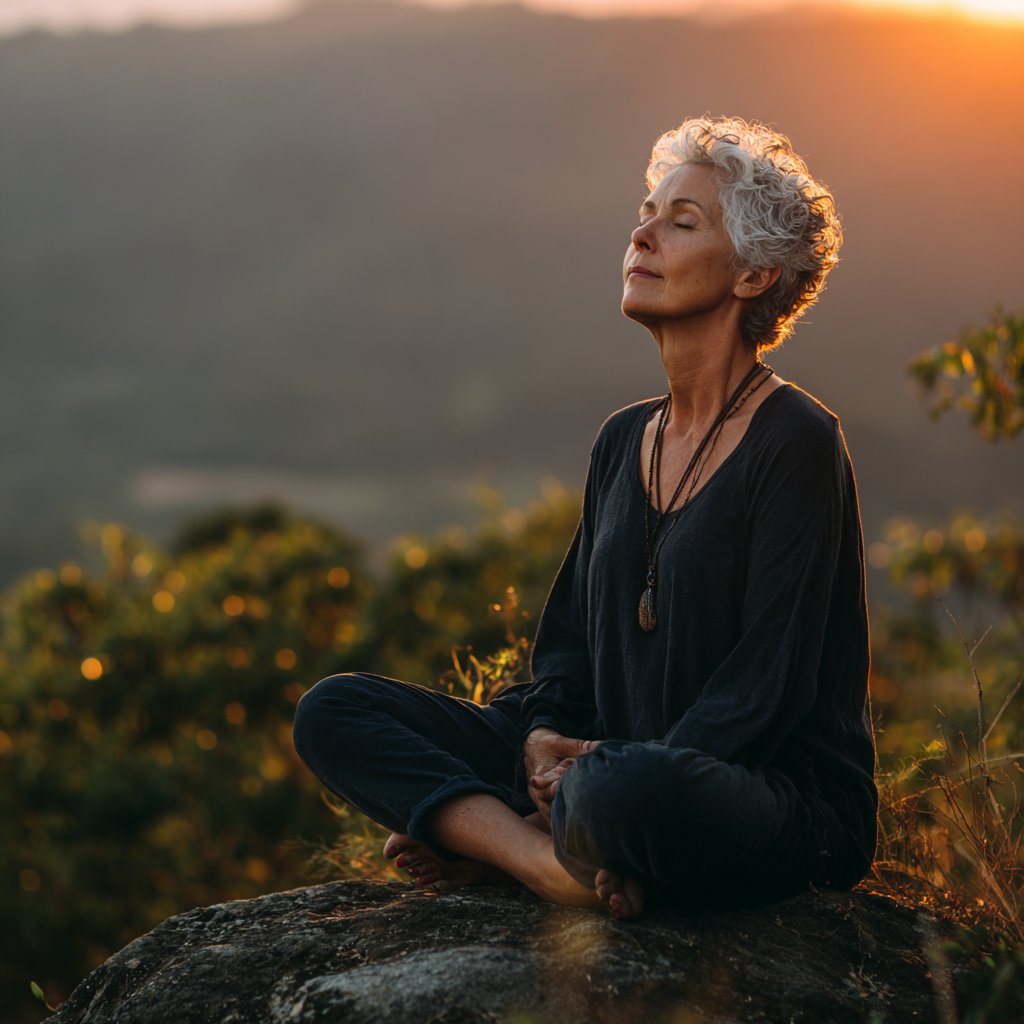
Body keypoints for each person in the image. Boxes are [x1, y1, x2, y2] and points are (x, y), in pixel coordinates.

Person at [293, 116, 876, 920]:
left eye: (682, 221)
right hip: (598, 765)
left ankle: (509, 836)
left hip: (753, 790)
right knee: (335, 709)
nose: (643, 233)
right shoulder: (622, 438)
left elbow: (764, 691)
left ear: (754, 275)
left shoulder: (799, 441)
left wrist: (595, 772)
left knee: (622, 787)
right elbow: (565, 649)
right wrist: (540, 742)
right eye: (646, 212)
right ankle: (540, 859)